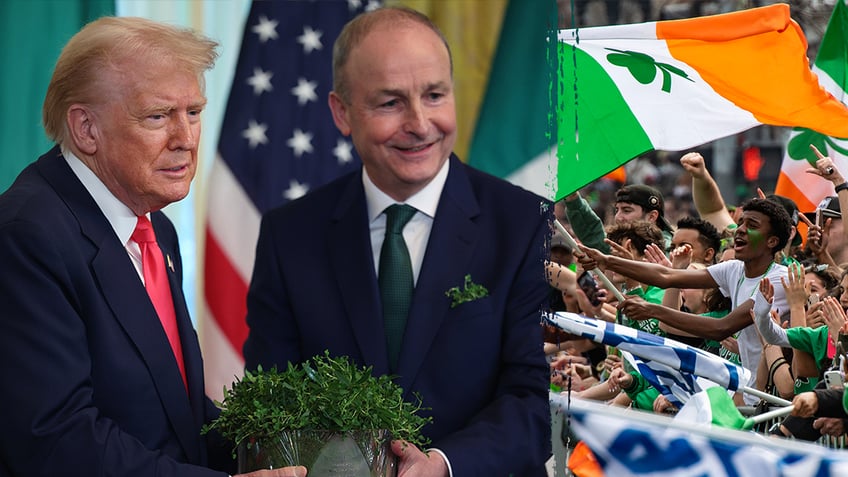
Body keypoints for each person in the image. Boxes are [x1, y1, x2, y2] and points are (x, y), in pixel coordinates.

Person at [242, 6, 551, 477]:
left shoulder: (525, 224)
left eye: (434, 95)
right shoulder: (289, 235)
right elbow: (272, 402)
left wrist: (445, 464)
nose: (420, 123)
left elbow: (535, 400)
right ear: (342, 113)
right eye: (390, 103)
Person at [0, 17, 305, 477]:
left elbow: (173, 412)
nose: (185, 139)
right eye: (158, 116)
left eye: (194, 112)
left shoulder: (154, 227)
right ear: (86, 129)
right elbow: (56, 440)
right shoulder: (27, 235)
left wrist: (305, 451)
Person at [578, 198, 793, 404]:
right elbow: (667, 276)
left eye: (752, 225)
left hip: (774, 400)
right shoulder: (734, 269)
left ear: (772, 241)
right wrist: (606, 260)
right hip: (747, 393)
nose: (741, 230)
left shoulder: (778, 279)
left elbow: (722, 327)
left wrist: (653, 310)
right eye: (740, 223)